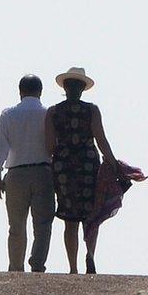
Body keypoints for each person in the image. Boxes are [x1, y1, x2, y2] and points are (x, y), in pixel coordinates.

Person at [44, 67, 118, 274]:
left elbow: (49, 146)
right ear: (82, 90)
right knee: (90, 215)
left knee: (69, 219)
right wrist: (112, 162)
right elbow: (101, 139)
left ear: (65, 88)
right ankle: (90, 254)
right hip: (88, 164)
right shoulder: (91, 110)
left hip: (64, 166)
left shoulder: (53, 112)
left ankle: (73, 268)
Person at [0, 74, 55, 273]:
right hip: (43, 172)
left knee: (16, 226)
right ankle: (37, 264)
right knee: (42, 225)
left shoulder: (8, 114)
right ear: (40, 92)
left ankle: (16, 268)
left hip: (16, 174)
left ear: (20, 91)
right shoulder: (48, 114)